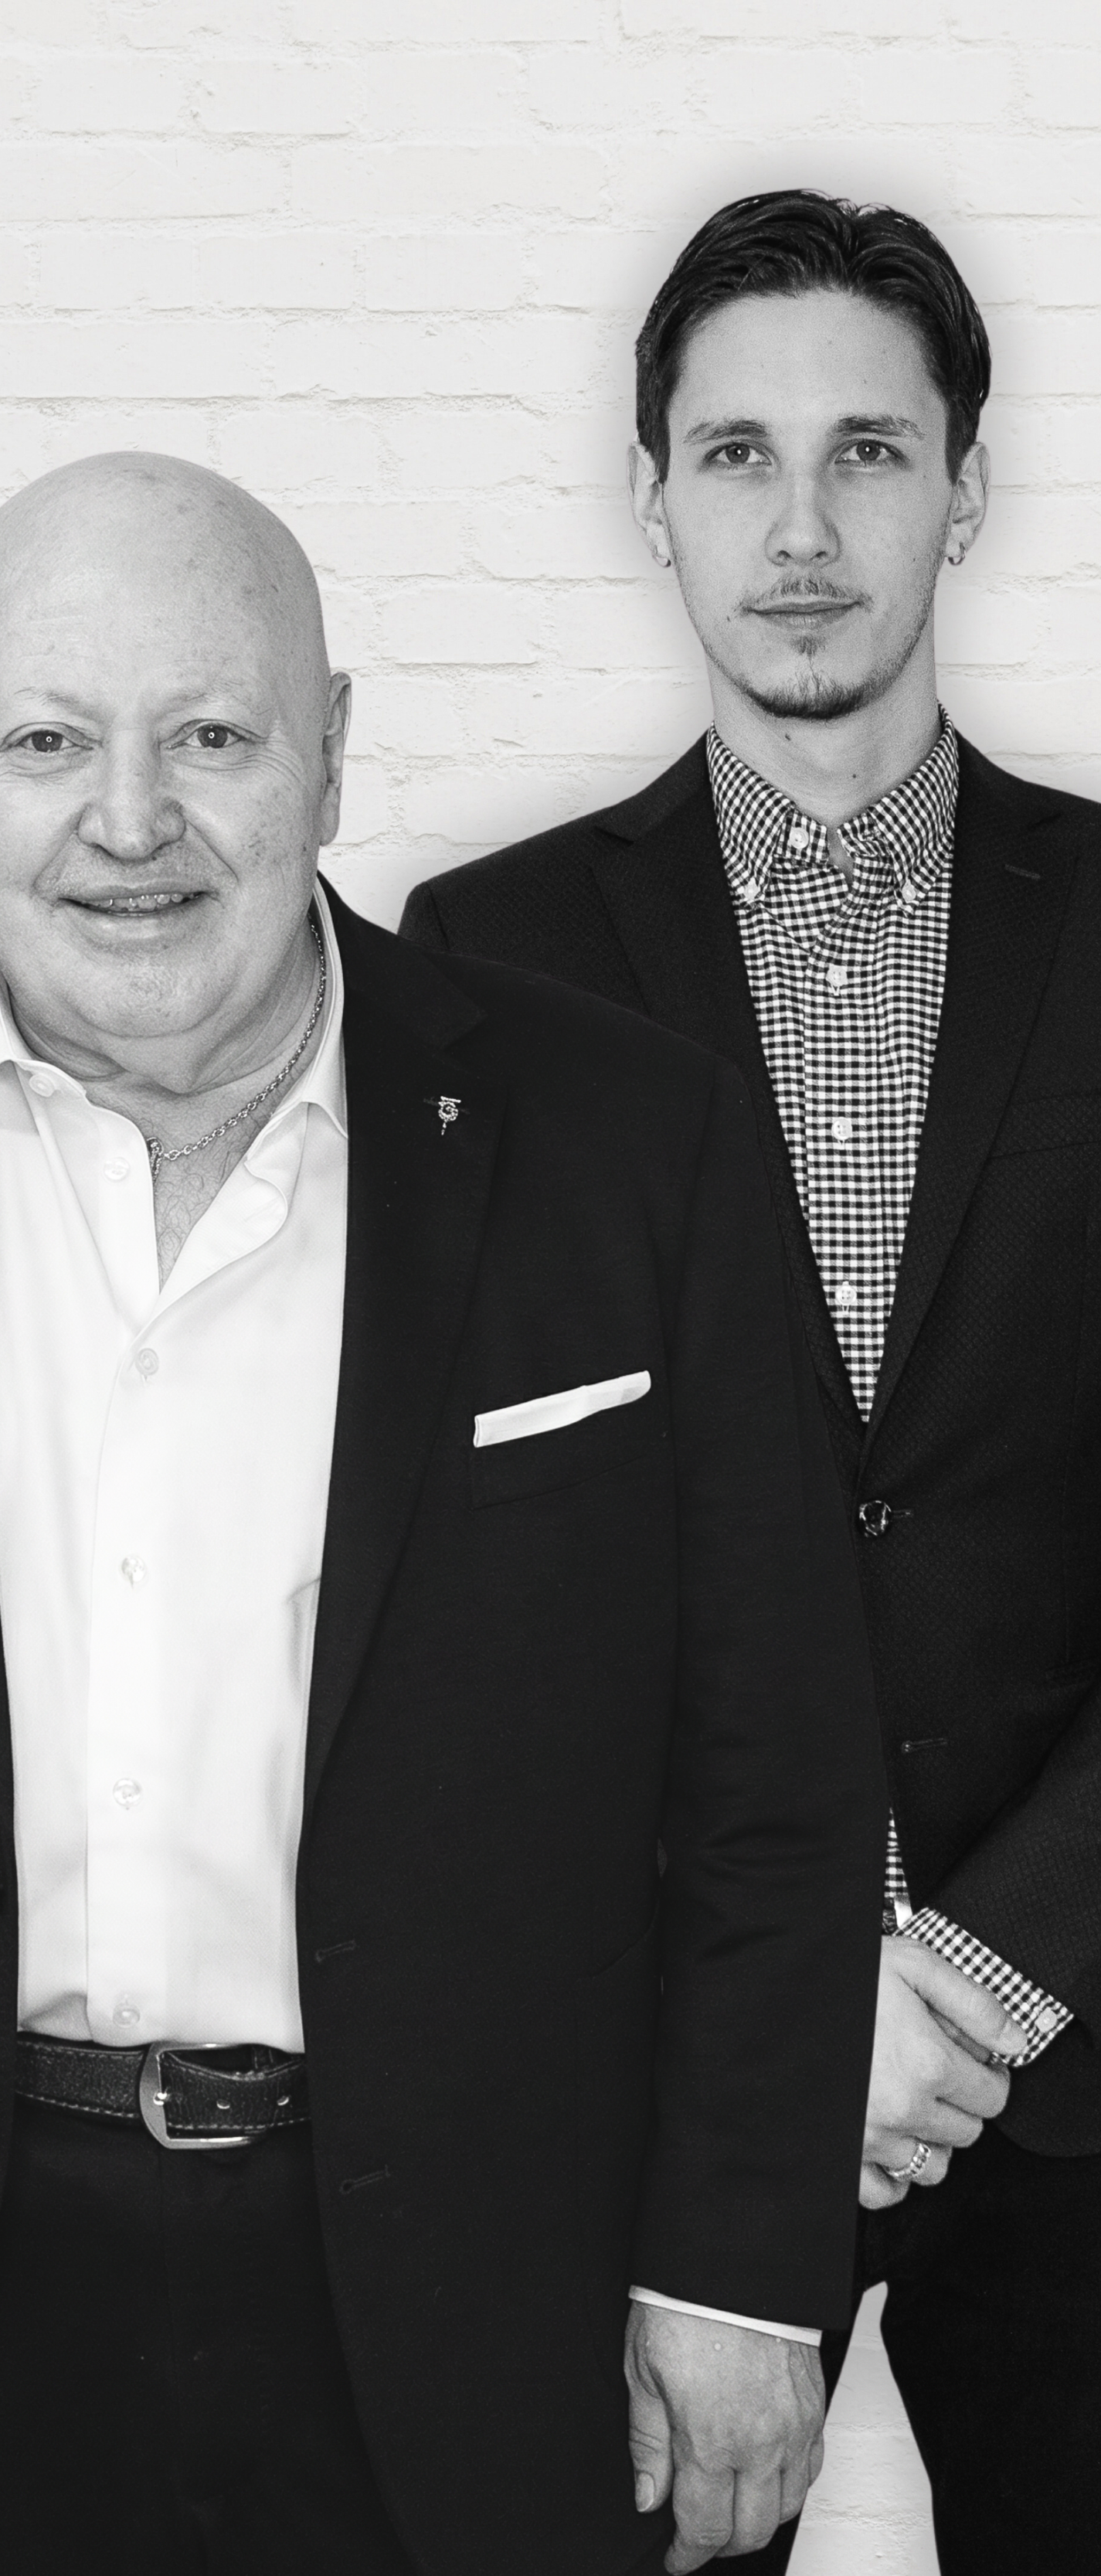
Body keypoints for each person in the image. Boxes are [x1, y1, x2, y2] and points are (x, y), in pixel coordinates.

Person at [0, 451, 882, 2576]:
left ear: (325, 749)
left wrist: (739, 2267)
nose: (128, 821)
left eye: (209, 736)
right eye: (47, 742)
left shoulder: (629, 1138)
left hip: (467, 2294)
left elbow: (776, 1755)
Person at [403, 189, 1100, 2573]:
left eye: (865, 454)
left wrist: (977, 1974)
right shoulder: (483, 967)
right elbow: (477, 1574)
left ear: (967, 489)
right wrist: (790, 1988)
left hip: (1084, 2043)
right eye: (731, 456)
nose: (797, 530)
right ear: (648, 497)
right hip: (657, 2072)